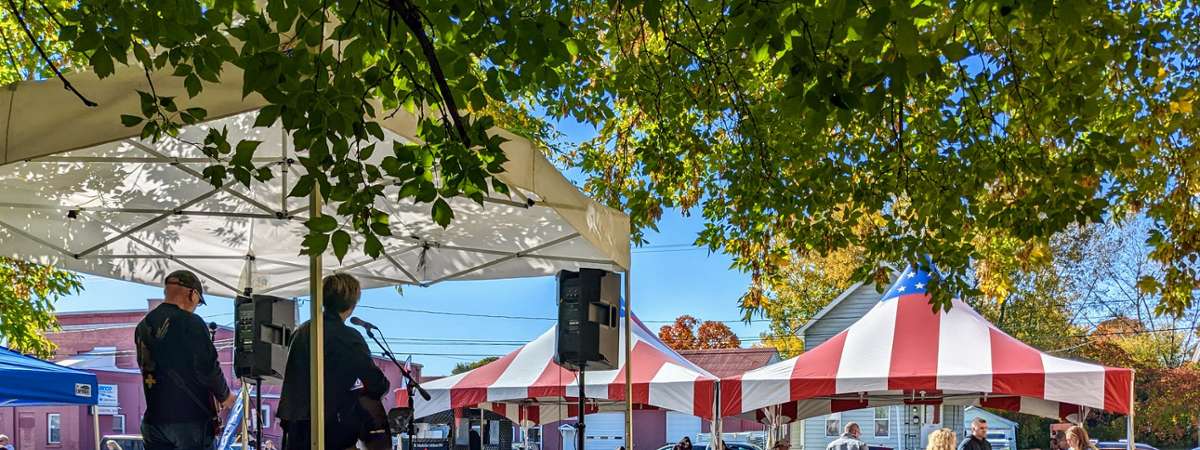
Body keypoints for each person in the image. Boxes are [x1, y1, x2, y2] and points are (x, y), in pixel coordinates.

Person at [278, 273, 391, 450]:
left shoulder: (301, 331)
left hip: (295, 427)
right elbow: (376, 383)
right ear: (352, 304)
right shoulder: (348, 337)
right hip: (331, 428)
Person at [135, 270, 236, 450]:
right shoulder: (191, 322)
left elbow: (144, 365)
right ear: (192, 293)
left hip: (154, 421)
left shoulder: (143, 326)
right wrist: (226, 397)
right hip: (190, 420)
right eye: (198, 301)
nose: (196, 306)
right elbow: (208, 367)